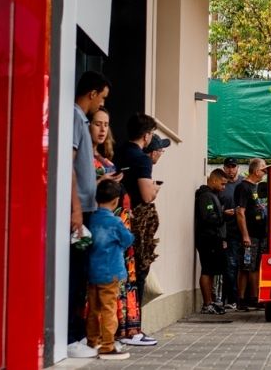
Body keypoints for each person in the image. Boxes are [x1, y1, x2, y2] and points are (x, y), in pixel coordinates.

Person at [89, 109, 154, 347]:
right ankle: (111, 337)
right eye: (97, 124)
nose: (103, 129)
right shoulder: (87, 157)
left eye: (106, 124)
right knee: (110, 288)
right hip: (108, 225)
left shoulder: (111, 154)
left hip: (118, 221)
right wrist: (103, 182)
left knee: (122, 281)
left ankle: (124, 328)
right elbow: (147, 195)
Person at [67, 71, 109, 360]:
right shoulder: (73, 117)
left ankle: (77, 334)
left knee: (81, 276)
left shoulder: (79, 120)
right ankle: (70, 336)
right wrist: (76, 209)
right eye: (102, 97)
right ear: (92, 93)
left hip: (85, 208)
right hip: (78, 212)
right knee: (74, 276)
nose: (102, 103)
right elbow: (67, 165)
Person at [114, 114, 160, 313]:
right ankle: (133, 324)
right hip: (135, 222)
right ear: (147, 135)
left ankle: (119, 322)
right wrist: (155, 188)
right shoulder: (142, 159)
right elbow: (147, 195)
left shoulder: (118, 152)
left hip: (114, 215)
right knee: (138, 270)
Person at [85, 179, 134, 360]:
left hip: (92, 270)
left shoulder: (91, 218)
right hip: (111, 270)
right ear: (116, 201)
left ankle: (92, 341)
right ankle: (107, 345)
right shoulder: (114, 222)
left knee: (93, 308)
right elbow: (127, 239)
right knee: (109, 308)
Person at [234, 158, 267, 311]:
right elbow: (240, 212)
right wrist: (245, 235)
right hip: (250, 235)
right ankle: (241, 299)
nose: (265, 171)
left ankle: (255, 298)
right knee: (245, 266)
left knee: (255, 267)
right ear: (256, 171)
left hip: (260, 234)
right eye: (263, 168)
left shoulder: (256, 188)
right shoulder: (243, 187)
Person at [195, 169, 229, 314]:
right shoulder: (206, 196)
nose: (224, 187)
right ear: (214, 180)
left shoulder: (213, 195)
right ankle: (207, 303)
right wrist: (223, 214)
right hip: (207, 238)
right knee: (207, 270)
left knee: (213, 270)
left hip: (214, 238)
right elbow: (209, 217)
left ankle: (212, 300)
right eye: (222, 184)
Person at [217, 158, 241, 309]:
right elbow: (215, 207)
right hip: (228, 232)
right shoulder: (221, 186)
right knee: (230, 266)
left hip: (245, 231)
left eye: (233, 167)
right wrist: (223, 212)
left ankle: (244, 297)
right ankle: (231, 299)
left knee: (245, 267)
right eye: (228, 167)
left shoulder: (244, 183)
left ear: (238, 168)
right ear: (224, 168)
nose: (231, 170)